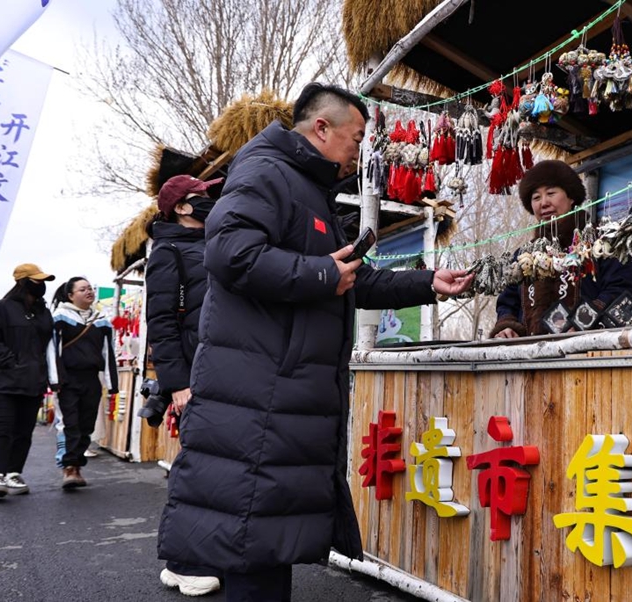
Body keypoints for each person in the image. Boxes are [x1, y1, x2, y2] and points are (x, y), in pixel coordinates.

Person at [157, 83, 473, 602]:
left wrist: (425, 283)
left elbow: (347, 275)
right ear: (320, 128)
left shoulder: (307, 186)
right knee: (253, 545)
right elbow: (232, 253)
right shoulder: (265, 172)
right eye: (354, 137)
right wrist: (321, 276)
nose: (358, 150)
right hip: (259, 397)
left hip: (283, 399)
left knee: (264, 543)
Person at [145, 174, 223, 597]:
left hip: (222, 370)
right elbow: (161, 322)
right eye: (202, 196)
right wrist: (176, 383)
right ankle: (182, 561)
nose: (211, 201)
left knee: (217, 467)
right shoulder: (168, 251)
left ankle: (206, 554)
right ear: (181, 207)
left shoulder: (215, 243)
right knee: (199, 469)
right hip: (192, 378)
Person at [491, 160, 632, 338]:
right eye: (536, 197)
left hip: (588, 353)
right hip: (530, 356)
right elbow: (508, 302)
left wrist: (583, 321)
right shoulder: (524, 256)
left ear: (571, 197)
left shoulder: (602, 244)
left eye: (551, 193)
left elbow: (622, 289)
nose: (543, 203)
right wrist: (507, 327)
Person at [0, 263, 55, 499]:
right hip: (2, 382)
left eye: (43, 281)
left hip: (33, 382)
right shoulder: (1, 308)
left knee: (24, 430)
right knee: (1, 429)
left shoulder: (44, 312)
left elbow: (48, 346)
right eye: (36, 280)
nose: (40, 285)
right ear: (22, 282)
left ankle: (14, 472)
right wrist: (10, 361)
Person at [49, 277, 118, 488]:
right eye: (82, 289)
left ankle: (77, 463)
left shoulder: (102, 320)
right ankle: (70, 468)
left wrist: (112, 383)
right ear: (71, 295)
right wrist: (55, 380)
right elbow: (52, 350)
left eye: (90, 288)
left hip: (91, 379)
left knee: (86, 424)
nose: (88, 291)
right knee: (71, 423)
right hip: (68, 379)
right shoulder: (60, 317)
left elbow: (108, 353)